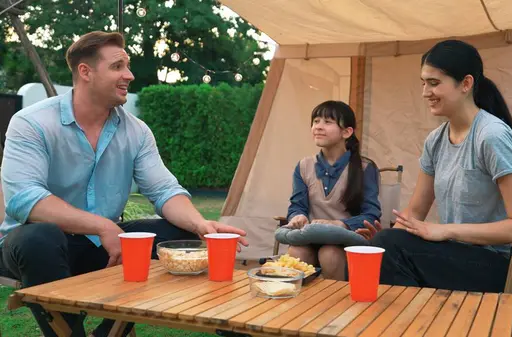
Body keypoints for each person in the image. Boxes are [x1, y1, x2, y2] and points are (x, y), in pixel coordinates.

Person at [0, 31, 247, 337]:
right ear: (85, 72)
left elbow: (164, 190)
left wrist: (200, 224)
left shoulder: (137, 131)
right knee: (39, 238)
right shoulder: (32, 123)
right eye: (118, 66)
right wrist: (102, 225)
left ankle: (108, 333)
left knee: (176, 234)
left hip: (109, 246)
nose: (129, 75)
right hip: (39, 249)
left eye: (127, 66)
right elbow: (25, 198)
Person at [370, 40, 512, 293]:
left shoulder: (491, 136)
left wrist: (445, 231)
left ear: (466, 84)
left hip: (503, 264)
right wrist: (379, 239)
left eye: (434, 83)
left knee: (391, 247)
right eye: (423, 83)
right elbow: (415, 211)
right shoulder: (436, 140)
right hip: (457, 257)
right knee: (378, 248)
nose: (425, 92)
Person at [285, 100, 382, 280]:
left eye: (327, 122)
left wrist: (341, 224)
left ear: (347, 132)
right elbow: (297, 206)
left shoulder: (365, 168)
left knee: (329, 254)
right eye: (315, 121)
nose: (318, 127)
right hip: (311, 237)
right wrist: (298, 216)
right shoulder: (303, 166)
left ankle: (336, 306)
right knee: (296, 251)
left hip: (346, 240)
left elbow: (371, 214)